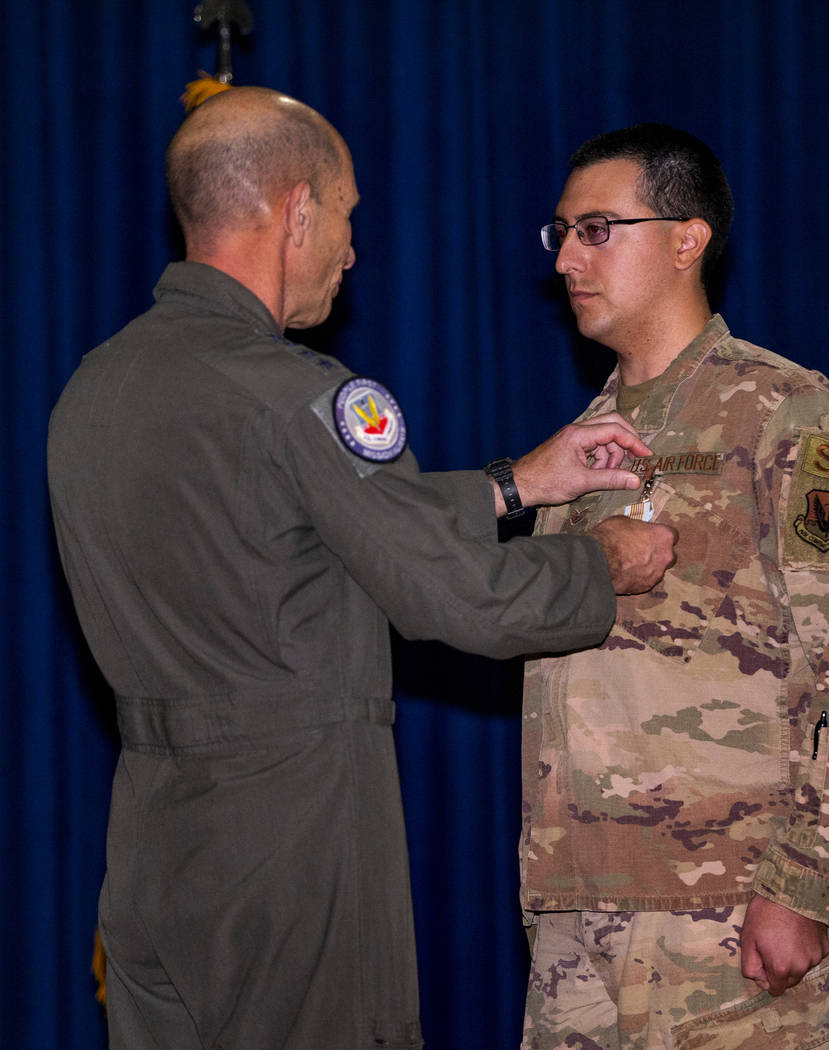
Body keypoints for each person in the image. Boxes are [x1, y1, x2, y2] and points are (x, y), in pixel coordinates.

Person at [47, 89, 678, 1050]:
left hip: (148, 843)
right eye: (345, 217)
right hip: (296, 843)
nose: (351, 250)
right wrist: (600, 562)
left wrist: (516, 483)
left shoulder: (93, 388)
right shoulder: (298, 395)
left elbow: (304, 535)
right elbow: (461, 598)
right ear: (297, 211)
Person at [520, 123, 829, 1050]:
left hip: (720, 917)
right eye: (559, 233)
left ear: (687, 239)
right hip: (575, 915)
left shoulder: (784, 410)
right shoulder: (579, 444)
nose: (566, 259)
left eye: (598, 229)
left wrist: (806, 882)